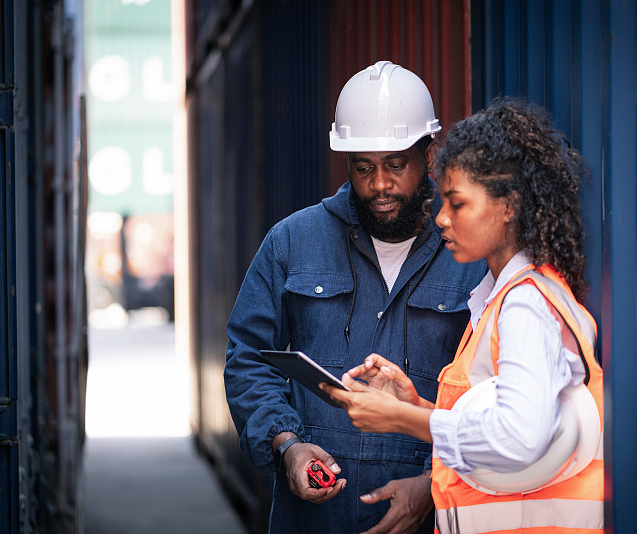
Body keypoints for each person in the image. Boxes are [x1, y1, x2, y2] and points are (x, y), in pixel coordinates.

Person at [223, 61, 487, 534]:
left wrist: (431, 485)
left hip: (428, 516)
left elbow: (491, 396)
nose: (380, 184)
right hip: (313, 518)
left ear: (427, 154)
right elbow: (247, 358)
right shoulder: (292, 242)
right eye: (364, 167)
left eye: (395, 165)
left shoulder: (469, 250)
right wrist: (288, 445)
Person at [324, 97, 605, 533]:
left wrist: (401, 419)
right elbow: (500, 423)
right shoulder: (502, 298)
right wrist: (416, 405)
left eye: (457, 204)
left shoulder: (526, 305)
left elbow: (520, 438)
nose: (441, 219)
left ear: (508, 206)